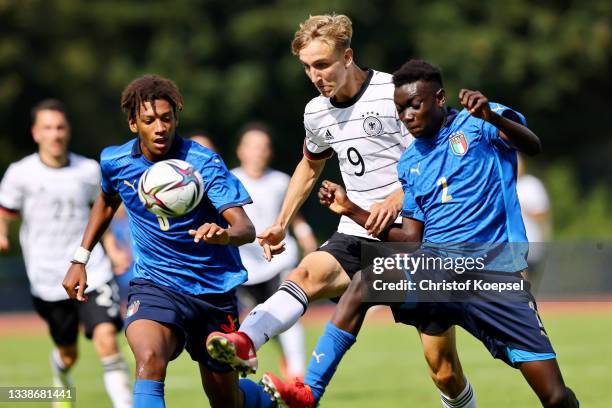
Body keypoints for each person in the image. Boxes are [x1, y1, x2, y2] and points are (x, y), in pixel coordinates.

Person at [206, 14, 475, 408]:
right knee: (305, 273)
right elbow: (310, 164)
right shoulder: (316, 112)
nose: (315, 76)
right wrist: (280, 223)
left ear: (347, 56)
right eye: (307, 68)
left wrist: (396, 198)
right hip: (356, 230)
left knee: (444, 370)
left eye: (322, 64)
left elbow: (436, 156)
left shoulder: (394, 93)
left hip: (417, 236)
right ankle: (246, 340)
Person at [280, 59, 578, 408]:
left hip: (493, 273)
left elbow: (531, 145)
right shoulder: (409, 163)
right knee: (365, 282)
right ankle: (309, 391)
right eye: (399, 109)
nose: (406, 116)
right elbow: (410, 240)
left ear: (439, 98)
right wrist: (351, 211)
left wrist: (492, 117)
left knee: (555, 397)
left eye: (413, 106)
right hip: (436, 270)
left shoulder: (479, 122)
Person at [61, 75, 274, 408]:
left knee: (226, 401)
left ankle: (260, 399)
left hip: (212, 292)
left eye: (167, 118)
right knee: (148, 359)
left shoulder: (203, 163)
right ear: (134, 123)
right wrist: (80, 257)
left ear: (176, 119)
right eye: (149, 120)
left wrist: (222, 235)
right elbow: (105, 201)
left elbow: (245, 228)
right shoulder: (115, 162)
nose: (159, 127)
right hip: (154, 284)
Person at [0, 99, 132, 408]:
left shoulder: (88, 170)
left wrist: (112, 250)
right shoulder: (21, 174)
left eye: (60, 127)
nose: (55, 134)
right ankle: (60, 374)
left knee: (107, 339)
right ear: (36, 133)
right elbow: (4, 211)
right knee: (68, 353)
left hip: (92, 270)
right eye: (47, 128)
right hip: (47, 277)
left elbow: (101, 215)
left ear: (67, 131)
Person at [232, 122, 318, 379]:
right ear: (241, 151)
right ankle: (258, 364)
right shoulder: (231, 180)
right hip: (246, 267)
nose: (258, 152)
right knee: (259, 320)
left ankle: (298, 377)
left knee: (289, 315)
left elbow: (293, 214)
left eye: (263, 147)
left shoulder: (281, 181)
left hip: (280, 261)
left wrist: (305, 235)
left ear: (269, 152)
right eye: (253, 146)